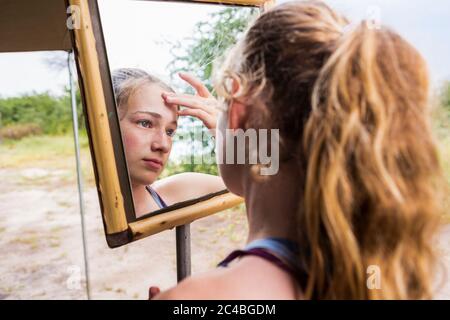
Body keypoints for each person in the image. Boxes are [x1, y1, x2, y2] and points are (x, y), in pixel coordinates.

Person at [149, 0, 445, 299]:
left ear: (240, 112)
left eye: (223, 104)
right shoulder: (375, 269)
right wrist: (239, 133)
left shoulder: (202, 298)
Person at [112, 68, 225, 217]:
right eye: (145, 123)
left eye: (170, 131)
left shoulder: (178, 192)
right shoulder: (78, 207)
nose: (163, 145)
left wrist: (228, 130)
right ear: (105, 125)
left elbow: (258, 182)